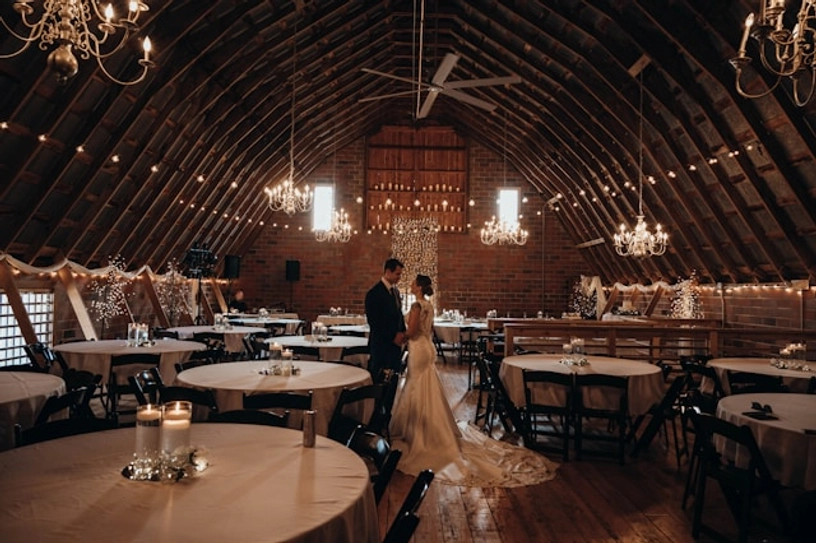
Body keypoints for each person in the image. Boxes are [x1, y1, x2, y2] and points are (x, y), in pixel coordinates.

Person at [390, 274, 559, 487]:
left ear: (420, 286)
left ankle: (420, 432)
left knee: (416, 386)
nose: (411, 284)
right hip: (427, 348)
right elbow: (428, 331)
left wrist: (400, 337)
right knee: (426, 386)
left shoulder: (416, 306)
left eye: (414, 282)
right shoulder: (429, 305)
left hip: (418, 348)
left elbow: (413, 331)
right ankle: (430, 427)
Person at [365, 258, 407, 380]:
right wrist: (393, 336)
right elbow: (374, 322)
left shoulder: (396, 292)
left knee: (393, 380)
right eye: (397, 274)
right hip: (381, 345)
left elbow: (399, 314)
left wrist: (402, 332)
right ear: (388, 271)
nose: (399, 277)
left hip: (395, 346)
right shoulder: (374, 293)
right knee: (380, 380)